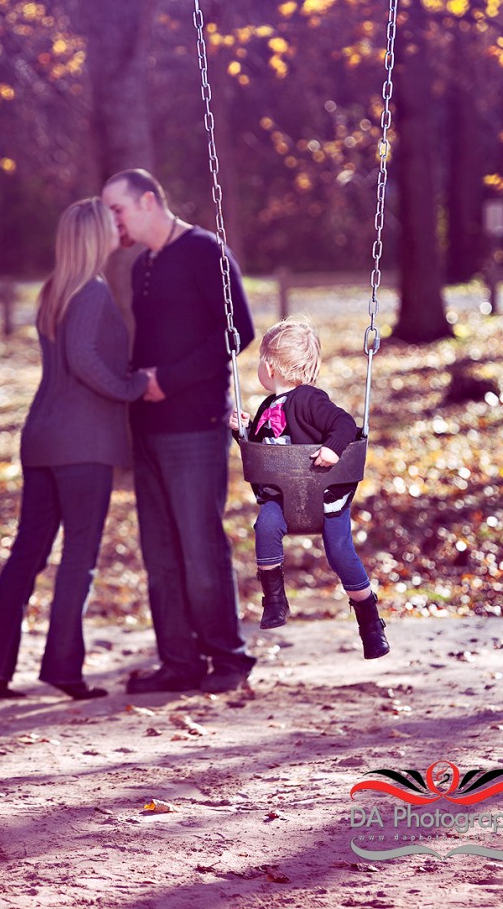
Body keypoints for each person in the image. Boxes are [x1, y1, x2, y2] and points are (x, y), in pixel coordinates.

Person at [0, 198, 150, 700]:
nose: (119, 227)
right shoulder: (91, 292)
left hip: (42, 437)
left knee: (28, 552)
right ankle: (64, 669)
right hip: (81, 444)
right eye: (111, 223)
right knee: (78, 558)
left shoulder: (56, 289)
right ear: (94, 234)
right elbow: (84, 360)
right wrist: (134, 385)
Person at [102, 168, 256, 694]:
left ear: (148, 201)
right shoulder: (143, 263)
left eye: (116, 209)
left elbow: (239, 330)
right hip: (146, 428)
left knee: (199, 546)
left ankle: (228, 660)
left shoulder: (203, 250)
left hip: (196, 425)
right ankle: (179, 661)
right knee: (160, 551)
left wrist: (169, 380)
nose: (111, 220)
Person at [229, 317, 390, 660]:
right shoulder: (264, 408)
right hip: (281, 498)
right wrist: (242, 432)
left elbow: (344, 424)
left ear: (269, 367)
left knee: (340, 555)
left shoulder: (310, 400)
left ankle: (370, 622)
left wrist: (332, 447)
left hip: (326, 497)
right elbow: (261, 451)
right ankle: (274, 600)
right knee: (266, 528)